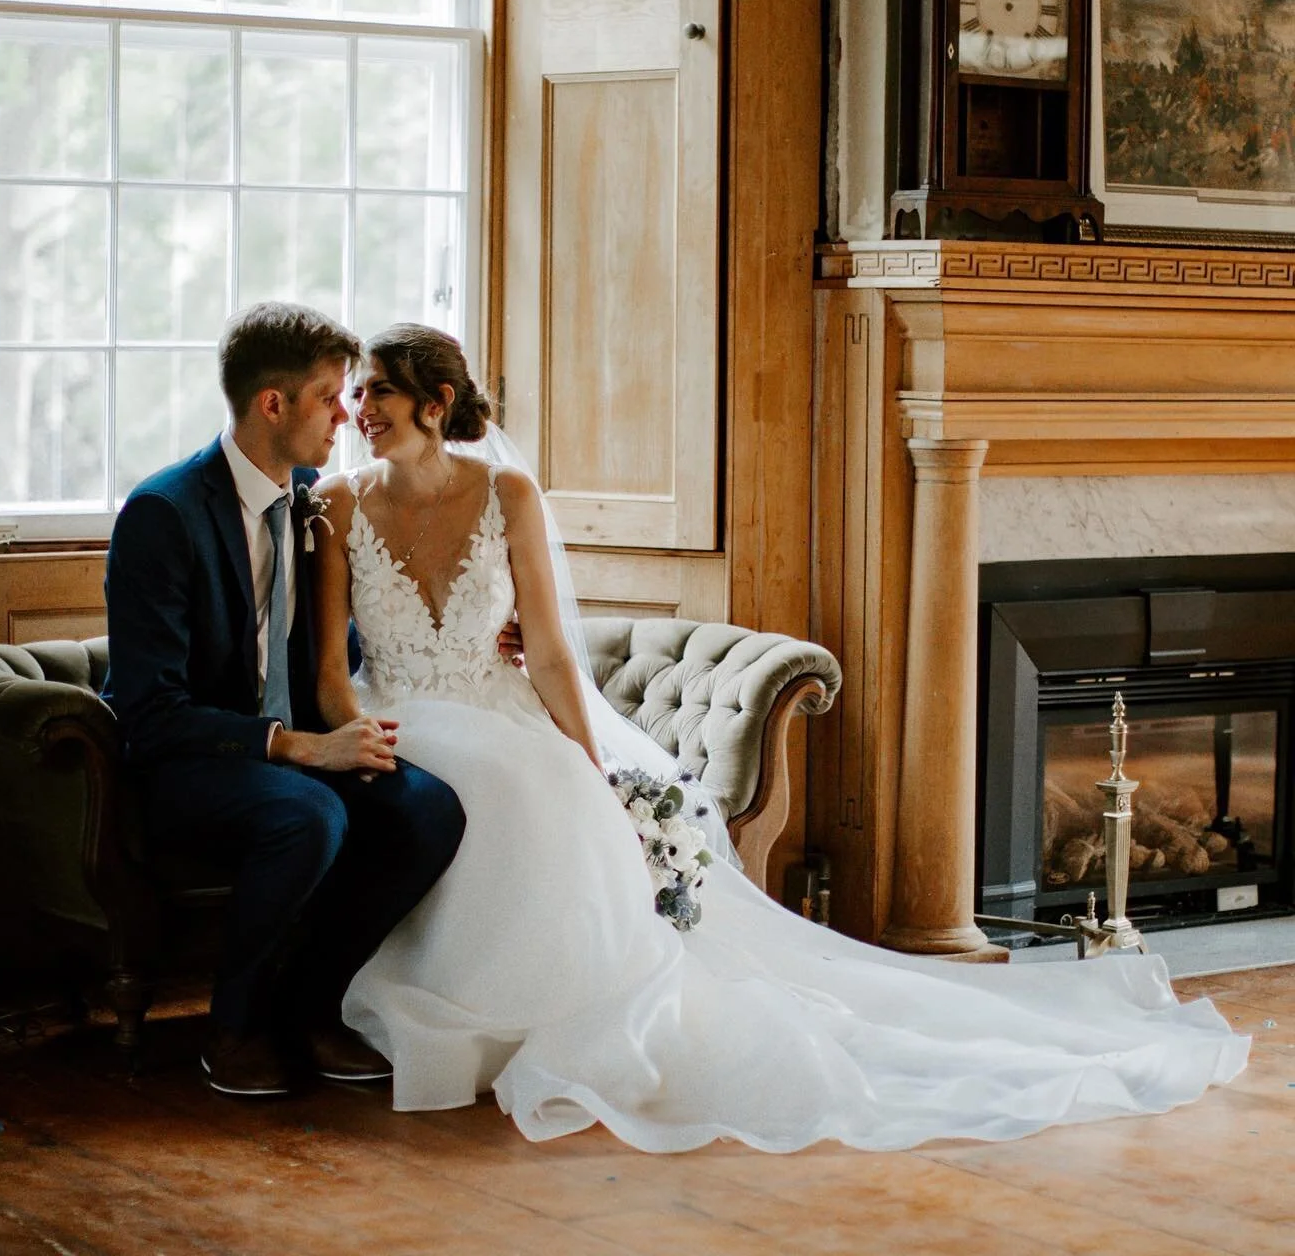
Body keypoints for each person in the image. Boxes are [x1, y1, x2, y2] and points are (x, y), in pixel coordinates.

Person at [308, 321, 1249, 1153]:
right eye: (354, 394)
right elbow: (324, 669)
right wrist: (354, 732)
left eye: (377, 391)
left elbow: (551, 654)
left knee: (545, 789)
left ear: (435, 403)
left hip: (501, 702)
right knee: (497, 786)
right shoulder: (342, 503)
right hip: (397, 713)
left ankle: (532, 1018)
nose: (358, 409)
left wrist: (590, 767)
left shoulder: (506, 492)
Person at [103, 303, 466, 1098]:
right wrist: (299, 747)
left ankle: (314, 1007)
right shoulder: (163, 515)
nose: (349, 415)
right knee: (309, 812)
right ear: (275, 404)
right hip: (190, 763)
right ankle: (232, 1028)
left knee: (430, 809)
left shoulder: (318, 500)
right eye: (332, 397)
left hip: (303, 747)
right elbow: (150, 713)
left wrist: (490, 631)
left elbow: (366, 621)